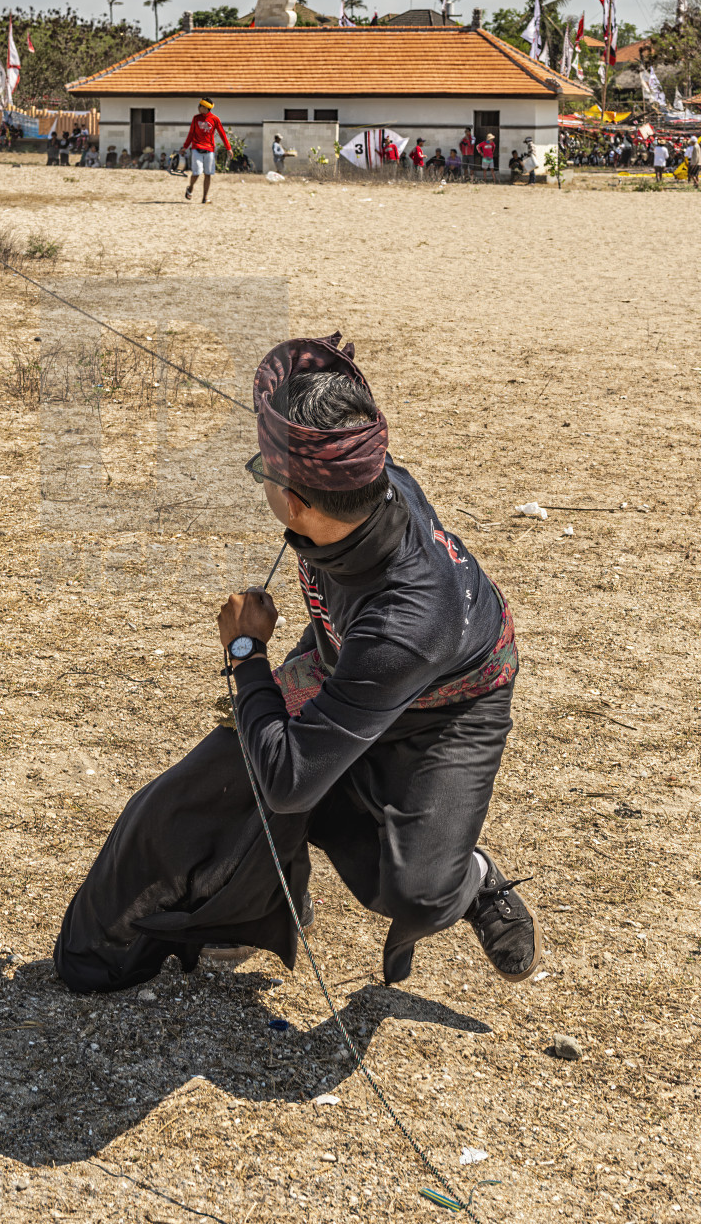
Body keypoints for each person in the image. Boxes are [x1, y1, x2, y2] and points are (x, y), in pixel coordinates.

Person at [55, 335, 540, 995]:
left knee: (413, 889)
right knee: (214, 787)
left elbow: (287, 782)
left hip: (452, 698)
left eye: (265, 471)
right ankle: (260, 887)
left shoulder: (405, 620)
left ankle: (471, 878)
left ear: (301, 503)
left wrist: (246, 651)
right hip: (344, 659)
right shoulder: (360, 480)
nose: (263, 478)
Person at [182, 98, 232, 203]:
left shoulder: (215, 119)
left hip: (209, 150)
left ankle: (204, 198)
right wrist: (185, 147)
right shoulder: (196, 118)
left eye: (200, 106)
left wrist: (228, 148)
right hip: (196, 149)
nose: (198, 108)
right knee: (196, 172)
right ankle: (190, 188)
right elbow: (191, 133)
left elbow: (222, 134)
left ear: (205, 108)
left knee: (208, 174)